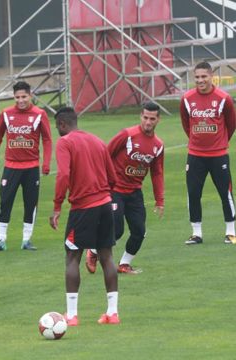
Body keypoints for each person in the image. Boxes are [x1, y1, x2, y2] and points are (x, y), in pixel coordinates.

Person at [49, 107, 120, 326]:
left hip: (82, 208)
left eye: (57, 127)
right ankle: (112, 313)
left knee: (72, 257)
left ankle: (71, 315)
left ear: (62, 124)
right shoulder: (98, 141)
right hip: (106, 205)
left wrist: (57, 205)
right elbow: (113, 178)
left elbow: (63, 175)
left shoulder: (65, 142)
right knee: (106, 256)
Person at [85, 102, 164, 275]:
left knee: (139, 231)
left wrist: (160, 200)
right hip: (115, 190)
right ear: (140, 116)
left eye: (152, 118)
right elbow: (105, 154)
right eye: (145, 117)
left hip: (135, 192)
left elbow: (157, 173)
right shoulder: (127, 135)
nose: (148, 122)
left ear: (158, 119)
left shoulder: (158, 145)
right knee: (117, 230)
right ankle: (93, 251)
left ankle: (124, 264)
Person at [0, 81, 52, 252]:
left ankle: (27, 240)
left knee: (30, 203)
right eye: (17, 97)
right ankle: (0, 240)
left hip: (31, 168)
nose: (21, 100)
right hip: (11, 167)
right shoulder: (7, 114)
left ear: (30, 95)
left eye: (24, 97)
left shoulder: (40, 114)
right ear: (13, 97)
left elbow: (47, 139)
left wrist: (46, 163)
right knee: (5, 201)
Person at [180, 61, 236, 245]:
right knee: (193, 193)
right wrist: (197, 141)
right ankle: (196, 233)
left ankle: (230, 231)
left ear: (212, 76)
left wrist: (220, 143)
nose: (200, 80)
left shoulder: (224, 98)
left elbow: (231, 124)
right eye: (197, 77)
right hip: (195, 155)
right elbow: (186, 125)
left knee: (225, 192)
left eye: (204, 76)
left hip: (218, 155)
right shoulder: (187, 99)